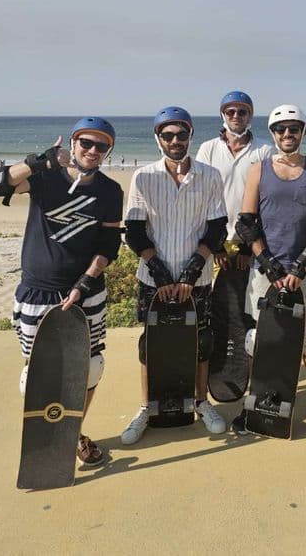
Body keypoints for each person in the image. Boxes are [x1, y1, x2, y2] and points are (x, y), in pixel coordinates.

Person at [0, 117, 123, 467]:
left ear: (109, 152)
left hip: (87, 293)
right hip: (38, 291)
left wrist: (84, 283)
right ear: (73, 144)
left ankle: (73, 433)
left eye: (101, 146)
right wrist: (38, 161)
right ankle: (44, 433)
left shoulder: (110, 191)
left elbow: (108, 245)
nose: (92, 150)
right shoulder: (44, 178)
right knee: (37, 372)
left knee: (90, 368)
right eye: (86, 142)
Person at [121, 106, 228, 444]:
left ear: (191, 135)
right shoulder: (143, 177)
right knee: (150, 344)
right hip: (154, 277)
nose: (175, 140)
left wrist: (190, 273)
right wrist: (161, 274)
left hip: (197, 277)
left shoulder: (210, 175)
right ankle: (146, 407)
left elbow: (217, 229)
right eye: (167, 135)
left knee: (202, 341)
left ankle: (201, 402)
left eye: (182, 134)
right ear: (158, 138)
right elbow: (134, 231)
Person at [232, 104, 306, 436]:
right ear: (273, 134)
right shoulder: (258, 169)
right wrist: (271, 266)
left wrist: (302, 263)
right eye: (281, 129)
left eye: (294, 128)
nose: (287, 134)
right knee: (257, 338)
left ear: (303, 132)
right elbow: (246, 223)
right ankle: (255, 401)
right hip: (267, 270)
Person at [196, 90, 273, 272]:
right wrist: (216, 245)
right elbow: (200, 196)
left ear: (250, 116)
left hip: (250, 239)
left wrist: (248, 245)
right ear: (223, 115)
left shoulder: (265, 150)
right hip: (215, 238)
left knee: (245, 289)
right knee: (215, 289)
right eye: (230, 112)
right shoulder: (208, 148)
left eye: (242, 112)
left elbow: (267, 200)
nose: (236, 116)